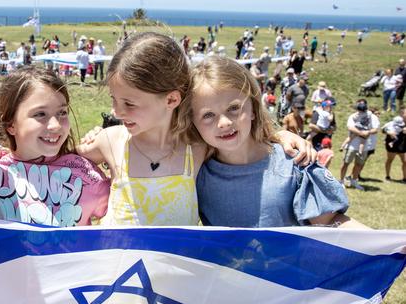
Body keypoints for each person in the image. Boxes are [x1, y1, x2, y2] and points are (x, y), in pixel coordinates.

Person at [187, 56, 365, 304]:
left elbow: (333, 222)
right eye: (207, 115)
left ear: (253, 106)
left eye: (234, 108)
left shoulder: (290, 163)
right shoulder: (195, 172)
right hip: (227, 301)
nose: (223, 122)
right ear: (193, 122)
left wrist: (388, 241)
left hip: (286, 297)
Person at [74, 33, 311, 227]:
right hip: (116, 276)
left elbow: (241, 143)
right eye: (114, 99)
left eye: (129, 103)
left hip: (173, 283)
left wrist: (279, 136)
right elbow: (54, 160)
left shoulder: (197, 147)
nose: (116, 111)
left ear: (171, 100)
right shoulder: (110, 140)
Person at [0, 66, 109, 226]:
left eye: (62, 112)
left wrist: (108, 145)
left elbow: (129, 211)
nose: (55, 125)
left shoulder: (85, 173)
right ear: (11, 124)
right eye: (40, 114)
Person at [339, 99, 379, 190]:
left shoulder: (372, 117)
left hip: (364, 146)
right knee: (346, 163)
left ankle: (354, 181)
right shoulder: (353, 116)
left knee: (359, 164)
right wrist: (362, 133)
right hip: (352, 145)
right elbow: (350, 127)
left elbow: (376, 129)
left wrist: (368, 131)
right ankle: (341, 181)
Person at [383, 110, 406, 181]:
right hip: (392, 145)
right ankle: (387, 176)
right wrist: (389, 132)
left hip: (403, 145)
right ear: (402, 114)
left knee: (405, 161)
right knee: (390, 160)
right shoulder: (393, 122)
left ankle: (405, 178)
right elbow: (383, 130)